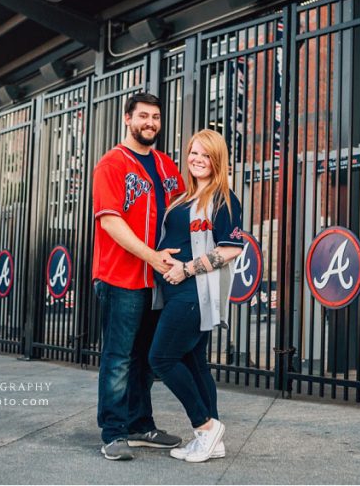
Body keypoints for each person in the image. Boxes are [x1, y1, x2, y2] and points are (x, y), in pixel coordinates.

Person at [92, 92, 185, 460]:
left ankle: (140, 425)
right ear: (127, 118)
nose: (150, 123)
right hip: (121, 278)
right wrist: (153, 257)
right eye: (143, 116)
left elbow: (182, 212)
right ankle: (113, 432)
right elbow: (111, 221)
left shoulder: (166, 165)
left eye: (156, 117)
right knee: (118, 358)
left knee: (146, 358)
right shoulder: (112, 164)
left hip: (157, 282)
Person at [148, 129, 245, 463]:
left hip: (194, 292)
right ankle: (212, 441)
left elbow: (231, 249)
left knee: (161, 359)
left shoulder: (223, 199)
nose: (198, 160)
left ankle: (204, 427)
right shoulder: (182, 198)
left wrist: (186, 269)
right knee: (194, 363)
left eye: (206, 155)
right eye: (194, 153)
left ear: (217, 160)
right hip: (174, 290)